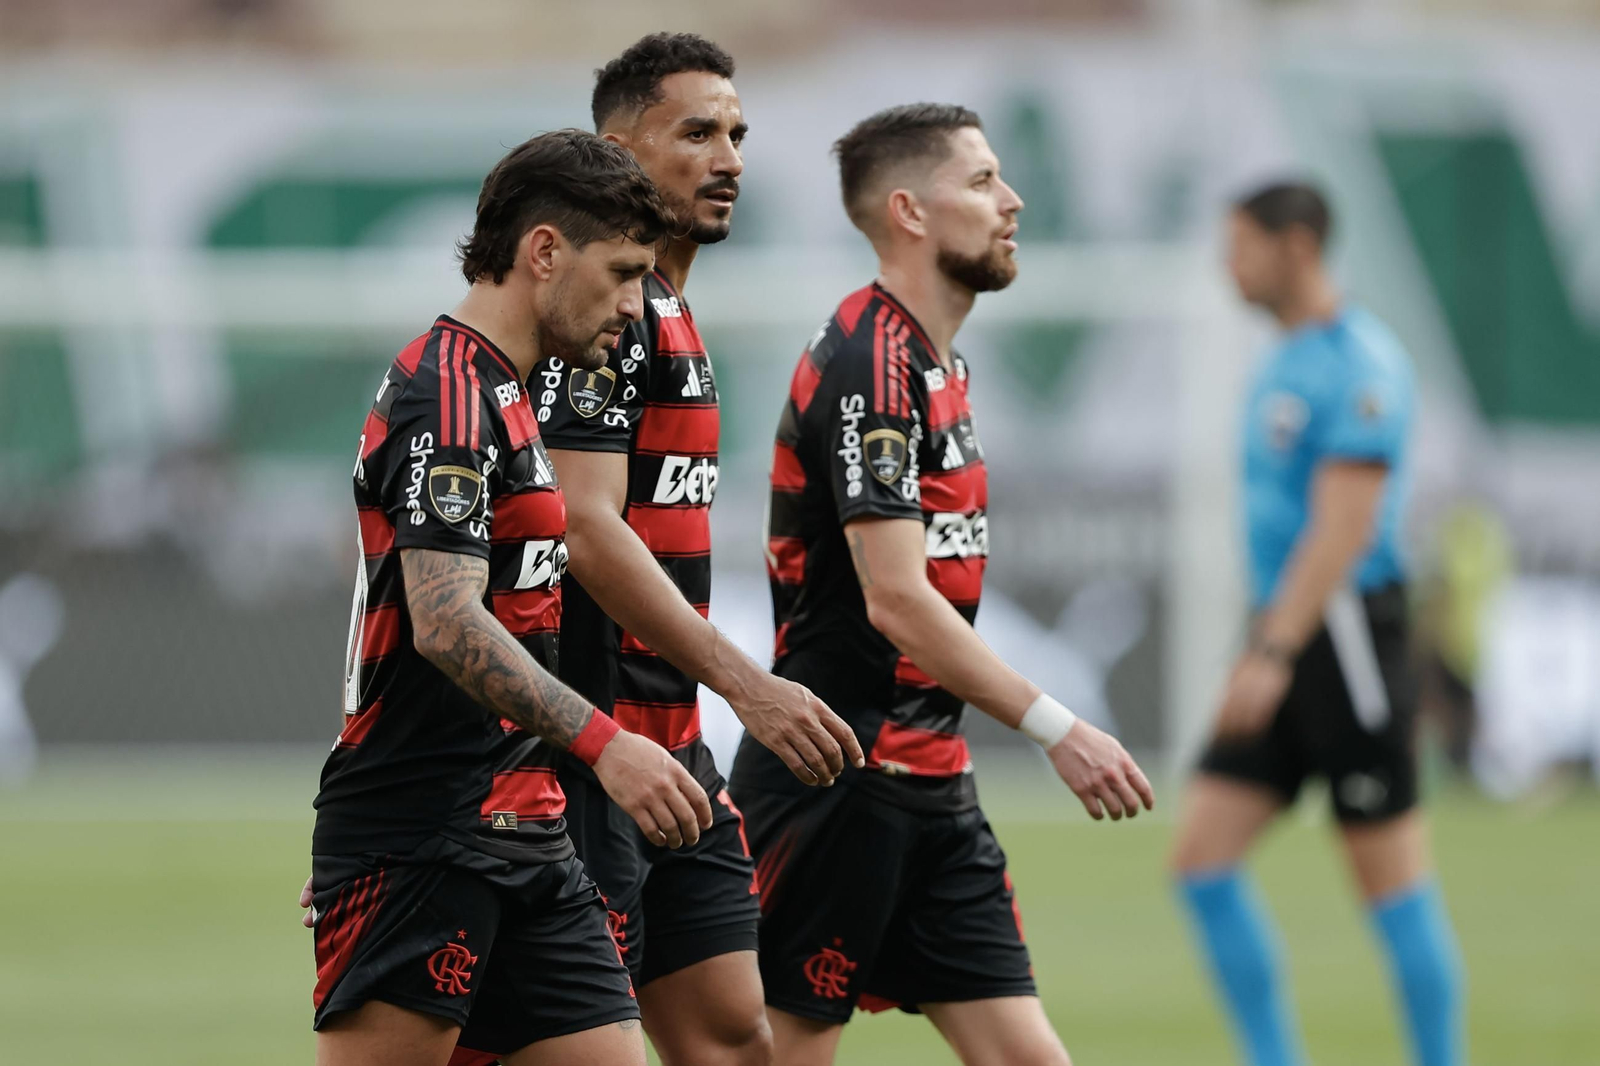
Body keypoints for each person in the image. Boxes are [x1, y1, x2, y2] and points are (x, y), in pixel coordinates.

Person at [730, 103, 1155, 1066]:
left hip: (931, 781)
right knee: (785, 1055)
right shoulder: (870, 366)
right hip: (839, 778)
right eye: (982, 181)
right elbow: (896, 599)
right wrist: (1059, 727)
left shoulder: (933, 363)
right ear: (909, 212)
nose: (1012, 201)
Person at [307, 129, 713, 1066]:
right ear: (544, 252)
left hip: (527, 824)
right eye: (621, 274)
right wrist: (610, 746)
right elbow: (447, 624)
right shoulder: (446, 394)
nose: (634, 305)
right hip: (425, 831)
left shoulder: (509, 391)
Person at [527, 32, 862, 1066]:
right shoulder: (603, 321)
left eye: (738, 135)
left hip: (673, 744)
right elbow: (583, 525)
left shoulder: (667, 309)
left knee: (734, 1036)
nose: (729, 160)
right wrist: (746, 684)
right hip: (588, 753)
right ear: (619, 151)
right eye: (697, 134)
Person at [1169, 182, 1463, 1066]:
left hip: (1343, 638)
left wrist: (1271, 649)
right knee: (1202, 862)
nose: (1227, 265)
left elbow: (1344, 530)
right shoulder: (1283, 359)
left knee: (1391, 881)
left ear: (1296, 245)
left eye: (1241, 245)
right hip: (1287, 629)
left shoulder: (1360, 363)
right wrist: (1267, 641)